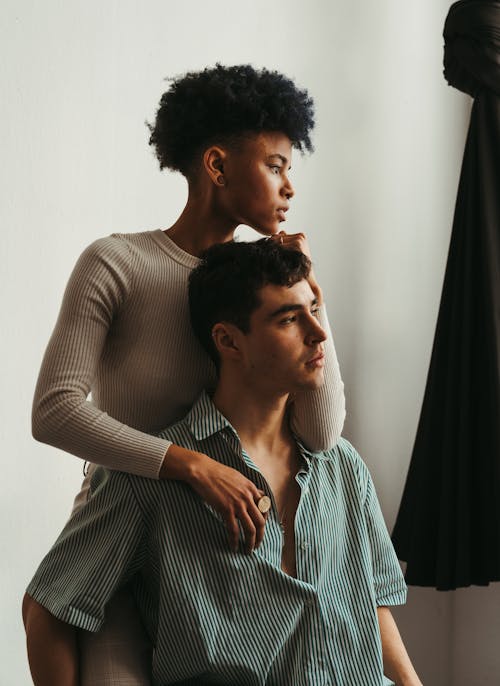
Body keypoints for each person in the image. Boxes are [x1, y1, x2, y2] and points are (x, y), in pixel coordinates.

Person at [25, 64, 346, 684]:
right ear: (218, 166)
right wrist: (192, 465)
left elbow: (323, 429)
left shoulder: (256, 292)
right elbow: (54, 410)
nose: (290, 187)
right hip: (128, 537)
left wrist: (309, 290)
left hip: (222, 558)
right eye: (276, 164)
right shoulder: (115, 264)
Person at [23, 239, 422, 686]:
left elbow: (371, 604)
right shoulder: (148, 481)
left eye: (314, 308)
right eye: (289, 319)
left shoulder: (343, 466)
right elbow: (47, 606)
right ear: (228, 341)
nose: (319, 332)